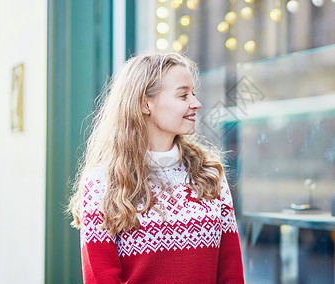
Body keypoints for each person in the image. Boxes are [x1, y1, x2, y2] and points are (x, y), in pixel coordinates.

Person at [68, 52, 245, 283]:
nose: (196, 103)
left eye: (194, 94)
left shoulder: (210, 175)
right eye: (183, 95)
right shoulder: (102, 181)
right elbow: (100, 278)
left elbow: (231, 273)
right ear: (145, 103)